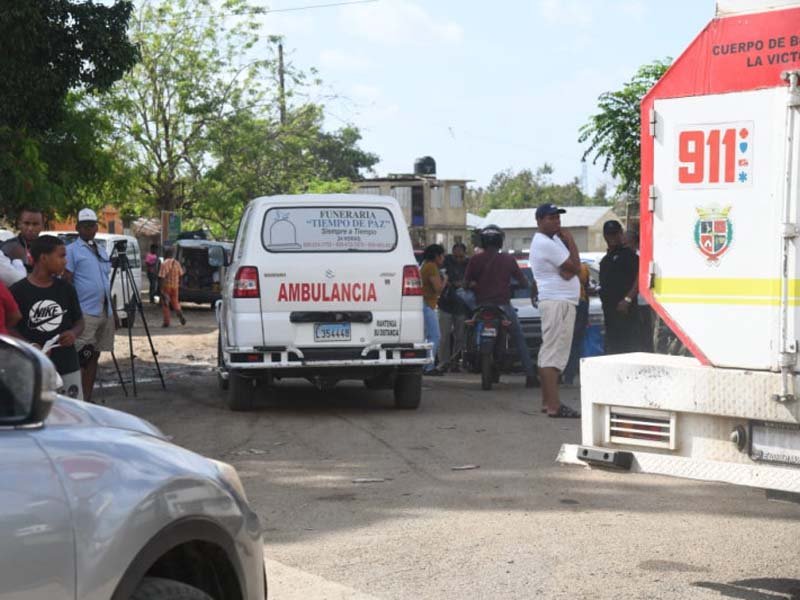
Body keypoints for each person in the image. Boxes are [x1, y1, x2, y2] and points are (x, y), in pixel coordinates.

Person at [10, 235, 85, 399]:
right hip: (33, 367)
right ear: (43, 258)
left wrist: (73, 333)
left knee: (72, 414)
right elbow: (9, 328)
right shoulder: (18, 291)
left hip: (67, 364)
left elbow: (79, 321)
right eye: (61, 256)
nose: (65, 261)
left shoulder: (66, 288)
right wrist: (29, 346)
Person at [464, 225, 537, 388]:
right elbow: (524, 282)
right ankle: (531, 376)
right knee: (519, 339)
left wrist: (475, 285)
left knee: (468, 331)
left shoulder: (475, 260)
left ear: (482, 242)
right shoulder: (508, 259)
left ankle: (466, 358)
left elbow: (465, 283)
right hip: (503, 307)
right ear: (500, 242)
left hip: (481, 306)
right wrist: (516, 286)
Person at [530, 203, 581, 418]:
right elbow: (575, 267)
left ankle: (547, 402)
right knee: (554, 354)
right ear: (540, 221)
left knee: (548, 352)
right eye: (551, 218)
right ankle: (554, 405)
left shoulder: (552, 241)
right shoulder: (546, 242)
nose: (557, 222)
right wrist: (570, 240)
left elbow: (568, 272)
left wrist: (570, 267)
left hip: (558, 299)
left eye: (558, 218)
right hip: (558, 302)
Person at [64, 208, 115, 404]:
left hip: (104, 311)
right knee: (81, 356)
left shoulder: (101, 250)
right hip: (85, 313)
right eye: (84, 226)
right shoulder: (71, 250)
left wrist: (113, 312)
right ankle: (76, 400)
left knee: (95, 355)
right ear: (78, 228)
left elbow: (105, 282)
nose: (88, 229)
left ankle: (88, 398)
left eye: (92, 225)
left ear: (96, 227)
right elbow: (67, 281)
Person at [599, 220, 640, 354]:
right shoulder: (605, 260)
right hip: (609, 313)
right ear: (605, 236)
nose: (613, 237)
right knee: (613, 348)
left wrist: (628, 299)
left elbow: (640, 278)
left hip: (626, 311)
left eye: (615, 233)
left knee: (628, 347)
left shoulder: (629, 256)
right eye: (609, 234)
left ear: (621, 234)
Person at [437, 242, 469, 372]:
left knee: (460, 337)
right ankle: (443, 363)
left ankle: (455, 363)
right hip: (445, 304)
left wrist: (464, 284)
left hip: (461, 306)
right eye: (456, 256)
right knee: (444, 336)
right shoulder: (446, 262)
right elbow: (441, 276)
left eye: (461, 256)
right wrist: (451, 283)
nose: (458, 258)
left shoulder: (469, 264)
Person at [561, 261, 591, 385]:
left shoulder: (555, 266)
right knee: (575, 342)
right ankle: (569, 376)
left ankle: (557, 374)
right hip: (580, 302)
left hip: (562, 303)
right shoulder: (582, 267)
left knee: (560, 341)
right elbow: (586, 285)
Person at [420, 243, 446, 375]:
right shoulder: (432, 267)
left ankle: (426, 365)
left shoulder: (425, 265)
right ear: (437, 256)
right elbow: (438, 289)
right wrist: (445, 280)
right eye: (442, 256)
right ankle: (429, 367)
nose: (443, 259)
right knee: (435, 336)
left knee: (427, 336)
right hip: (427, 304)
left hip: (423, 303)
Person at [1, 207, 45, 272]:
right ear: (19, 224)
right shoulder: (7, 247)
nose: (30, 228)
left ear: (42, 226)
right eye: (26, 223)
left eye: (35, 224)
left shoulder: (49, 248)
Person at [159, 247, 186, 327]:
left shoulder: (164, 263)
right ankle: (179, 312)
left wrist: (161, 290)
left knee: (166, 304)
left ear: (165, 254)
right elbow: (181, 275)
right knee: (175, 302)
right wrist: (180, 284)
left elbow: (162, 277)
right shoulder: (177, 263)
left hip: (166, 287)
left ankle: (166, 322)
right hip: (175, 287)